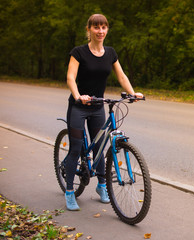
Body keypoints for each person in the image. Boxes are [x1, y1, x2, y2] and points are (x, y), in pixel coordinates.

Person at [65, 13, 143, 211]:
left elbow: (122, 76)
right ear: (89, 29)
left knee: (99, 148)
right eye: (96, 27)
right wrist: (77, 95)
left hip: (98, 106)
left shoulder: (110, 53)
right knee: (75, 148)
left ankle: (101, 186)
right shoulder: (79, 52)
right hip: (79, 107)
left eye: (103, 27)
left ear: (107, 30)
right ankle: (69, 192)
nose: (100, 31)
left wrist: (133, 93)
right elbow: (71, 78)